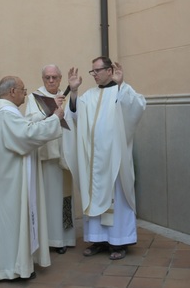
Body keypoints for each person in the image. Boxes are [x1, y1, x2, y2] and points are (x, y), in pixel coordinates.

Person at [0, 76, 64, 282]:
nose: (25, 94)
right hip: (10, 182)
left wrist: (45, 116)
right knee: (12, 224)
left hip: (5, 178)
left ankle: (13, 264)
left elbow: (23, 126)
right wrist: (55, 118)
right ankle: (13, 268)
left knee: (8, 224)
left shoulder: (3, 113)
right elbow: (26, 135)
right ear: (12, 91)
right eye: (23, 90)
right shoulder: (6, 114)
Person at [63, 57, 145, 261]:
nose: (95, 75)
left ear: (110, 70)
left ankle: (120, 241)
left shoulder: (121, 90)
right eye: (92, 71)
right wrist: (73, 92)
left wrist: (121, 85)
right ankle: (98, 240)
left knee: (116, 199)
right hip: (93, 160)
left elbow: (136, 108)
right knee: (95, 196)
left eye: (97, 70)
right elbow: (73, 117)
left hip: (114, 159)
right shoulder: (88, 95)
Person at [24, 65, 76, 254]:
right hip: (47, 157)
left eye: (55, 77)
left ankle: (64, 239)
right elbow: (29, 122)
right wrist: (52, 107)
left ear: (60, 78)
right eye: (47, 77)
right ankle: (49, 239)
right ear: (43, 78)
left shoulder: (68, 95)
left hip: (65, 155)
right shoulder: (34, 98)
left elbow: (75, 119)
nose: (51, 80)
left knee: (64, 198)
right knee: (48, 200)